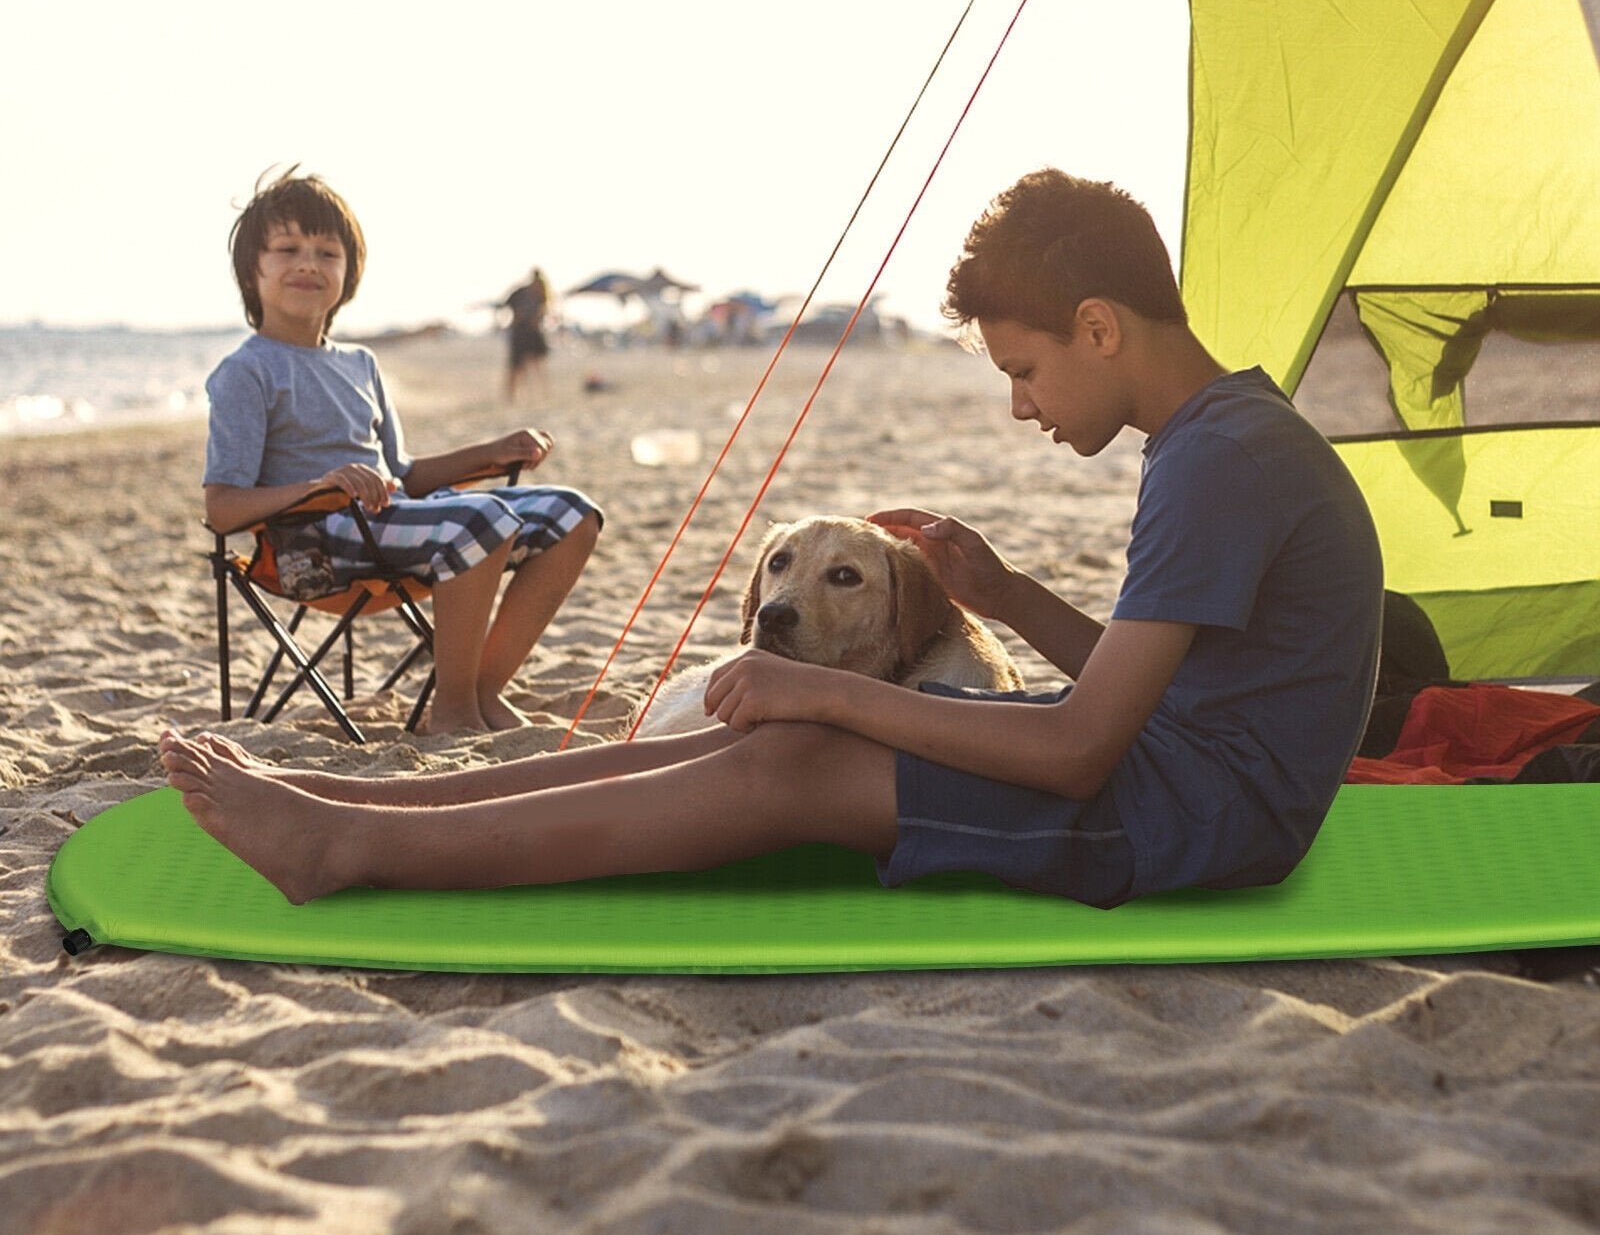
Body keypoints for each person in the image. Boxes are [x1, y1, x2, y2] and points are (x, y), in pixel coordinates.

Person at [163, 169, 1382, 909]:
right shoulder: (1222, 434)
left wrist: (827, 693)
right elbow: (1142, 676)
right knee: (788, 727)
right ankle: (339, 801)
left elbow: (1073, 749)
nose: (1022, 404)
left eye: (1024, 369)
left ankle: (350, 844)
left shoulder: (1219, 458)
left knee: (789, 759)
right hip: (1174, 771)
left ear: (1098, 328)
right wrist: (1002, 596)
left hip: (1190, 824)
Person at [203, 167, 602, 737]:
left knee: (572, 514)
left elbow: (405, 476)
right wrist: (322, 487)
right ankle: (454, 711)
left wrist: (490, 452)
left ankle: (481, 689)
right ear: (252, 270)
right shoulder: (246, 372)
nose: (309, 264)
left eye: (327, 252)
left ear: (349, 272)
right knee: (482, 522)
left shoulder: (360, 364)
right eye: (288, 249)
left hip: (388, 526)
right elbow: (222, 508)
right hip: (310, 548)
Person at [501, 267, 552, 402]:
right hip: (520, 332)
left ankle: (541, 394)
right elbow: (505, 305)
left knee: (535, 365)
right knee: (517, 367)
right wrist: (516, 317)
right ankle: (512, 396)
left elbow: (544, 310)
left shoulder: (541, 291)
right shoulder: (521, 292)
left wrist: (536, 319)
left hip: (533, 333)